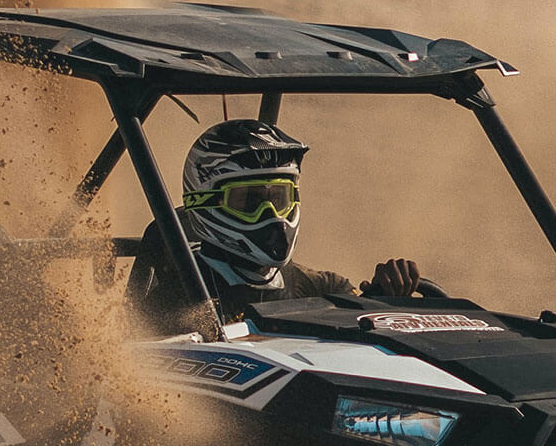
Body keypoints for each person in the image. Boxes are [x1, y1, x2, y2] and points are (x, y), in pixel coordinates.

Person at [131, 119, 422, 327]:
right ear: (207, 204)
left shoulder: (321, 288)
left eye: (279, 199)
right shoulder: (172, 304)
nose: (272, 216)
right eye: (249, 202)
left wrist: (386, 299)